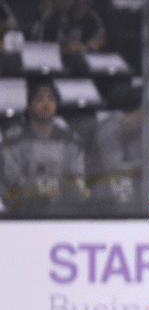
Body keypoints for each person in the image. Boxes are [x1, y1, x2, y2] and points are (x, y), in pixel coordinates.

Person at [0, 77, 88, 216]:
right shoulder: (13, 142)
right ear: (29, 105)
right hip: (23, 214)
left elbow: (77, 180)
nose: (46, 103)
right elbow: (11, 183)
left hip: (65, 212)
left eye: (51, 99)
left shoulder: (70, 140)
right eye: (40, 99)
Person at [88, 85, 148, 216]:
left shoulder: (139, 130)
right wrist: (148, 163)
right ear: (141, 109)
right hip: (106, 200)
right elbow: (114, 169)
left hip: (131, 196)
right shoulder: (108, 131)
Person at [30, 0, 106, 55]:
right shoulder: (45, 17)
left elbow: (100, 38)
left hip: (82, 61)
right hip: (53, 61)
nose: (65, 1)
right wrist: (65, 49)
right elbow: (39, 46)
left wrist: (83, 47)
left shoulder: (88, 17)